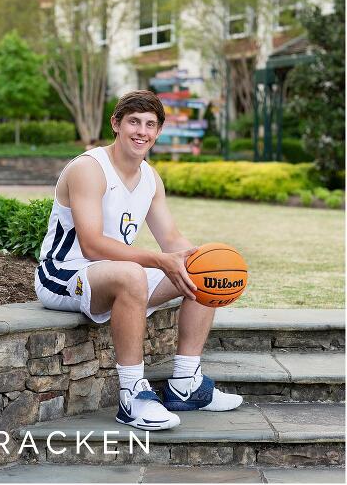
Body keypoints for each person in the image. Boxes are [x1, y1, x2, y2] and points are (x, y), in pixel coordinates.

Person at [34, 90, 241, 431]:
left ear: (158, 132)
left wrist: (206, 265)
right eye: (133, 122)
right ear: (116, 124)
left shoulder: (150, 177)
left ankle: (185, 384)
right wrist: (160, 261)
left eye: (150, 124)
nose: (141, 131)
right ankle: (132, 395)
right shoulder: (89, 168)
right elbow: (92, 244)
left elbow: (172, 240)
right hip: (63, 273)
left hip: (113, 272)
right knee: (133, 275)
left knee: (204, 269)